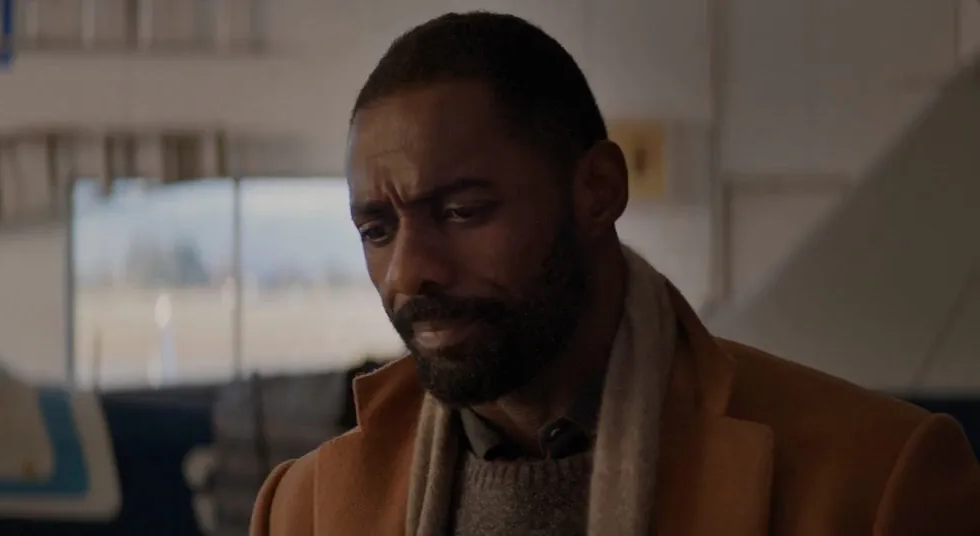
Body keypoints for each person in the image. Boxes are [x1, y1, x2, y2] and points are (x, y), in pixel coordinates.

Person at [250, 11, 980, 536]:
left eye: (463, 211)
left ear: (597, 191)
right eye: (377, 230)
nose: (410, 271)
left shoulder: (874, 481)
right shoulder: (303, 510)